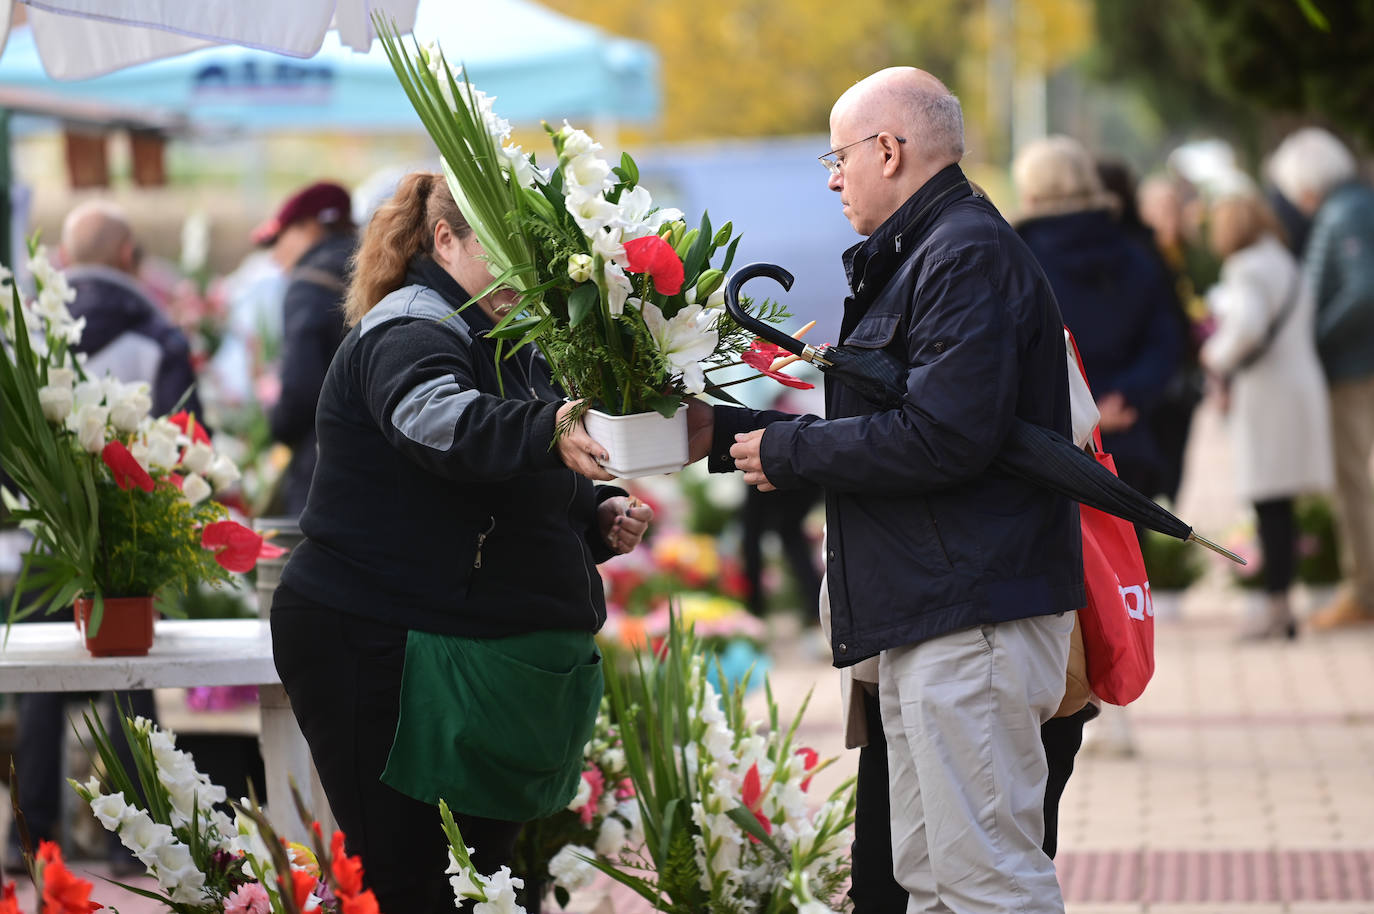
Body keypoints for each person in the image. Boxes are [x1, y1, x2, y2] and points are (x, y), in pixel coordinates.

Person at [692, 67, 1083, 913]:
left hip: (968, 613)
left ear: (889, 149)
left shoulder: (963, 254)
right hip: (937, 607)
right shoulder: (930, 251)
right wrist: (724, 435)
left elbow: (945, 436)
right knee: (934, 883)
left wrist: (790, 450)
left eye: (837, 159)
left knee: (987, 883)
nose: (832, 179)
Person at [269, 173, 652, 913]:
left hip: (461, 652)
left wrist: (595, 512)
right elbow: (435, 423)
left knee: (480, 889)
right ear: (444, 240)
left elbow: (521, 477)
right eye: (503, 250)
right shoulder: (411, 326)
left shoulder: (504, 332)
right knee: (415, 888)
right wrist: (547, 429)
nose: (525, 272)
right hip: (379, 645)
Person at [6, 200, 206, 874]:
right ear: (130, 256)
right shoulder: (156, 333)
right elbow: (186, 442)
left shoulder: (24, 334)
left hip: (38, 537)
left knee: (36, 681)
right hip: (128, 537)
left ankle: (31, 839)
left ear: (64, 259)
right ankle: (134, 842)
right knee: (131, 678)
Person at [1014, 137, 1181, 503]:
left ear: (1031, 192)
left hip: (1051, 450)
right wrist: (1123, 398)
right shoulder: (1135, 254)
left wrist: (1082, 414)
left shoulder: (1015, 257)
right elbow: (1164, 341)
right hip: (1127, 437)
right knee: (1123, 558)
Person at [1199, 191, 1333, 639]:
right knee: (1283, 503)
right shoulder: (1285, 261)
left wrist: (1213, 354)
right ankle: (1283, 604)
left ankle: (1277, 609)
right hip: (1298, 385)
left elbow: (1248, 328)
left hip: (1267, 392)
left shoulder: (1246, 268)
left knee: (1268, 500)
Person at [1268, 127, 1374, 629]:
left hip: (1353, 370)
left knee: (1354, 484)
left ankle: (1365, 594)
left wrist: (1317, 335)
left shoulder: (1345, 212)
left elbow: (1363, 288)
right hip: (1355, 365)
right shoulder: (1353, 204)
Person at [255, 181, 357, 516]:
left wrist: (275, 424)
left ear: (308, 227)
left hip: (323, 466)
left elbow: (301, 391)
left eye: (278, 240)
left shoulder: (309, 285)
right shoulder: (379, 270)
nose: (274, 255)